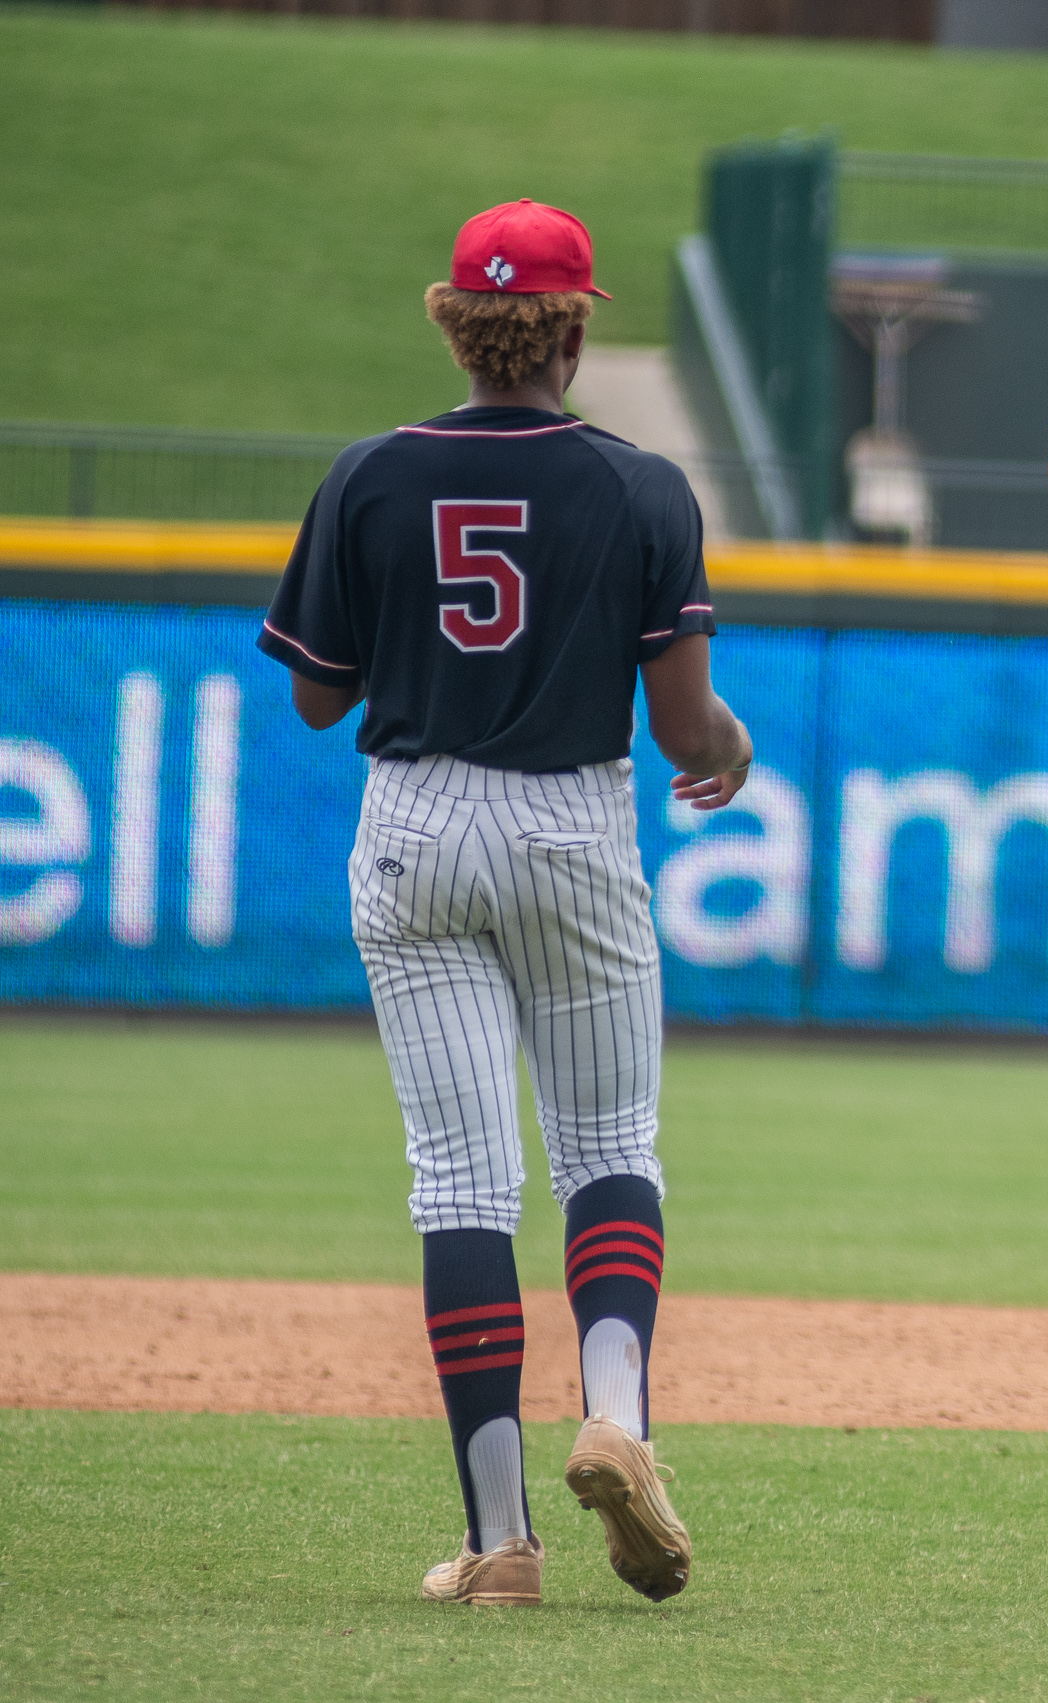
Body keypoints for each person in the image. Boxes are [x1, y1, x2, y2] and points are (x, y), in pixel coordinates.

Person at [257, 199, 752, 1607]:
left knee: (461, 1183)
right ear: (576, 324)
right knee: (607, 1147)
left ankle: (500, 1546)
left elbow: (312, 693)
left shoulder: (370, 474)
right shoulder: (643, 485)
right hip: (568, 826)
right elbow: (683, 723)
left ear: (454, 324)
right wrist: (730, 754)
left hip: (414, 824)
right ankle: (619, 1423)